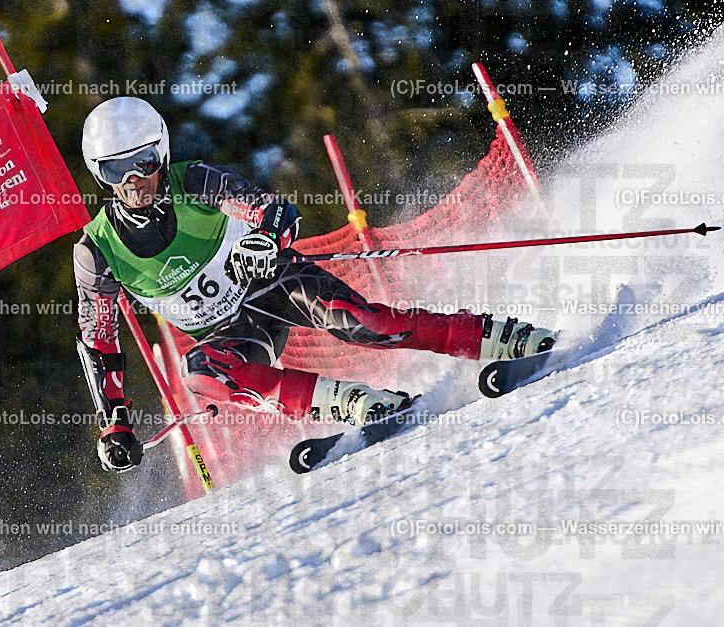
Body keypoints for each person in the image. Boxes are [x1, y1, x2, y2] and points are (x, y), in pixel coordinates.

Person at [74, 97, 554, 472]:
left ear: (162, 153)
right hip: (233, 332)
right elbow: (100, 342)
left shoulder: (193, 182)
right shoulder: (96, 252)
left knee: (365, 325)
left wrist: (265, 240)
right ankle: (354, 403)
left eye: (144, 162)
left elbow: (270, 209)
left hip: (273, 285)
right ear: (101, 173)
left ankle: (497, 338)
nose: (136, 179)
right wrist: (113, 424)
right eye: (118, 169)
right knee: (199, 371)